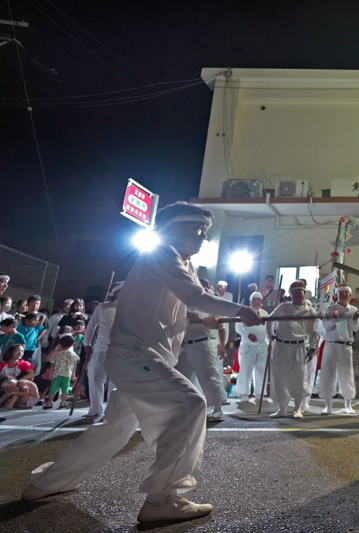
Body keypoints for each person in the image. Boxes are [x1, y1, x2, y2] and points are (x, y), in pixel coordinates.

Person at [21, 201, 260, 523]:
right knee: (191, 405)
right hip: (136, 356)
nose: (202, 237)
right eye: (195, 229)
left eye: (204, 231)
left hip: (144, 358)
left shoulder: (178, 264)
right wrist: (240, 311)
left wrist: (204, 322)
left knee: (114, 429)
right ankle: (163, 499)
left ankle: (47, 483)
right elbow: (194, 297)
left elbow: (178, 309)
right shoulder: (163, 254)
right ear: (171, 229)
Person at [175, 284, 228, 420]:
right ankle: (187, 405)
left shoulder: (208, 304)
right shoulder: (190, 304)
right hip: (188, 344)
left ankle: (217, 407)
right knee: (182, 376)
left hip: (204, 342)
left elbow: (197, 316)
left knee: (209, 376)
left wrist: (181, 308)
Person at [267, 281, 319, 418]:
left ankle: (298, 409)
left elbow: (314, 332)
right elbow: (269, 320)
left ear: (304, 293)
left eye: (300, 291)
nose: (297, 294)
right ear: (291, 294)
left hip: (299, 347)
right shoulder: (283, 308)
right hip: (281, 346)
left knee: (299, 378)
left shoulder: (310, 311)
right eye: (294, 292)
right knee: (280, 377)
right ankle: (282, 409)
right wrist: (271, 334)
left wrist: (313, 348)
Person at [82, 282, 124, 419]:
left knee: (115, 382)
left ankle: (111, 410)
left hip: (120, 351)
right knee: (94, 377)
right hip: (100, 349)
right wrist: (86, 344)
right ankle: (95, 408)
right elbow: (91, 326)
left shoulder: (131, 309)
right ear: (115, 292)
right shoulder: (102, 307)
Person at [319, 285, 359, 415]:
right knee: (327, 373)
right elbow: (326, 326)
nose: (343, 295)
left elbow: (356, 328)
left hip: (345, 345)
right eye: (340, 293)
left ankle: (348, 404)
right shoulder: (329, 309)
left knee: (346, 374)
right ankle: (327, 405)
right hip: (330, 344)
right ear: (336, 295)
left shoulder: (353, 310)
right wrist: (334, 318)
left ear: (349, 295)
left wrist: (354, 320)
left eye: (346, 293)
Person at [234, 292, 269, 402]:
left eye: (259, 299)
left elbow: (268, 329)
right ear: (250, 301)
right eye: (254, 299)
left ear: (261, 302)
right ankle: (244, 394)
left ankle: (260, 393)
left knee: (261, 370)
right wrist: (247, 335)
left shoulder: (265, 313)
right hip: (248, 344)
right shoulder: (245, 312)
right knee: (246, 369)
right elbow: (238, 327)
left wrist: (269, 342)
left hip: (262, 345)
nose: (256, 301)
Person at [42, 334, 80, 409]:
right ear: (72, 344)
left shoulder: (56, 353)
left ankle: (50, 402)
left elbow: (52, 363)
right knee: (65, 388)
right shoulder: (73, 354)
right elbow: (74, 364)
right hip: (67, 374)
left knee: (53, 387)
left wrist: (51, 372)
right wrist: (73, 373)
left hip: (57, 373)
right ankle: (63, 401)